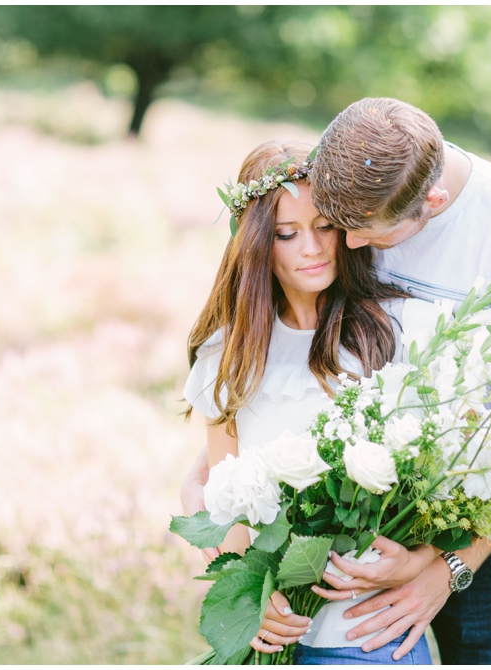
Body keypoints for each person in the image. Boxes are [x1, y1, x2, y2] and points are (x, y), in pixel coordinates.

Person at [300, 97, 491, 664]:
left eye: (367, 234)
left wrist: (447, 568)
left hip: (484, 519)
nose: (348, 246)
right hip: (346, 498)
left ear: (435, 202)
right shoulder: (358, 184)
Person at [181, 138, 434, 664]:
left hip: (366, 637)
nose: (313, 249)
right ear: (254, 243)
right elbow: (224, 491)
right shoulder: (229, 351)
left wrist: (425, 559)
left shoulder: (394, 333)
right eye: (286, 234)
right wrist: (254, 595)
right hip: (274, 635)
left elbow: (440, 481)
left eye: (324, 227)